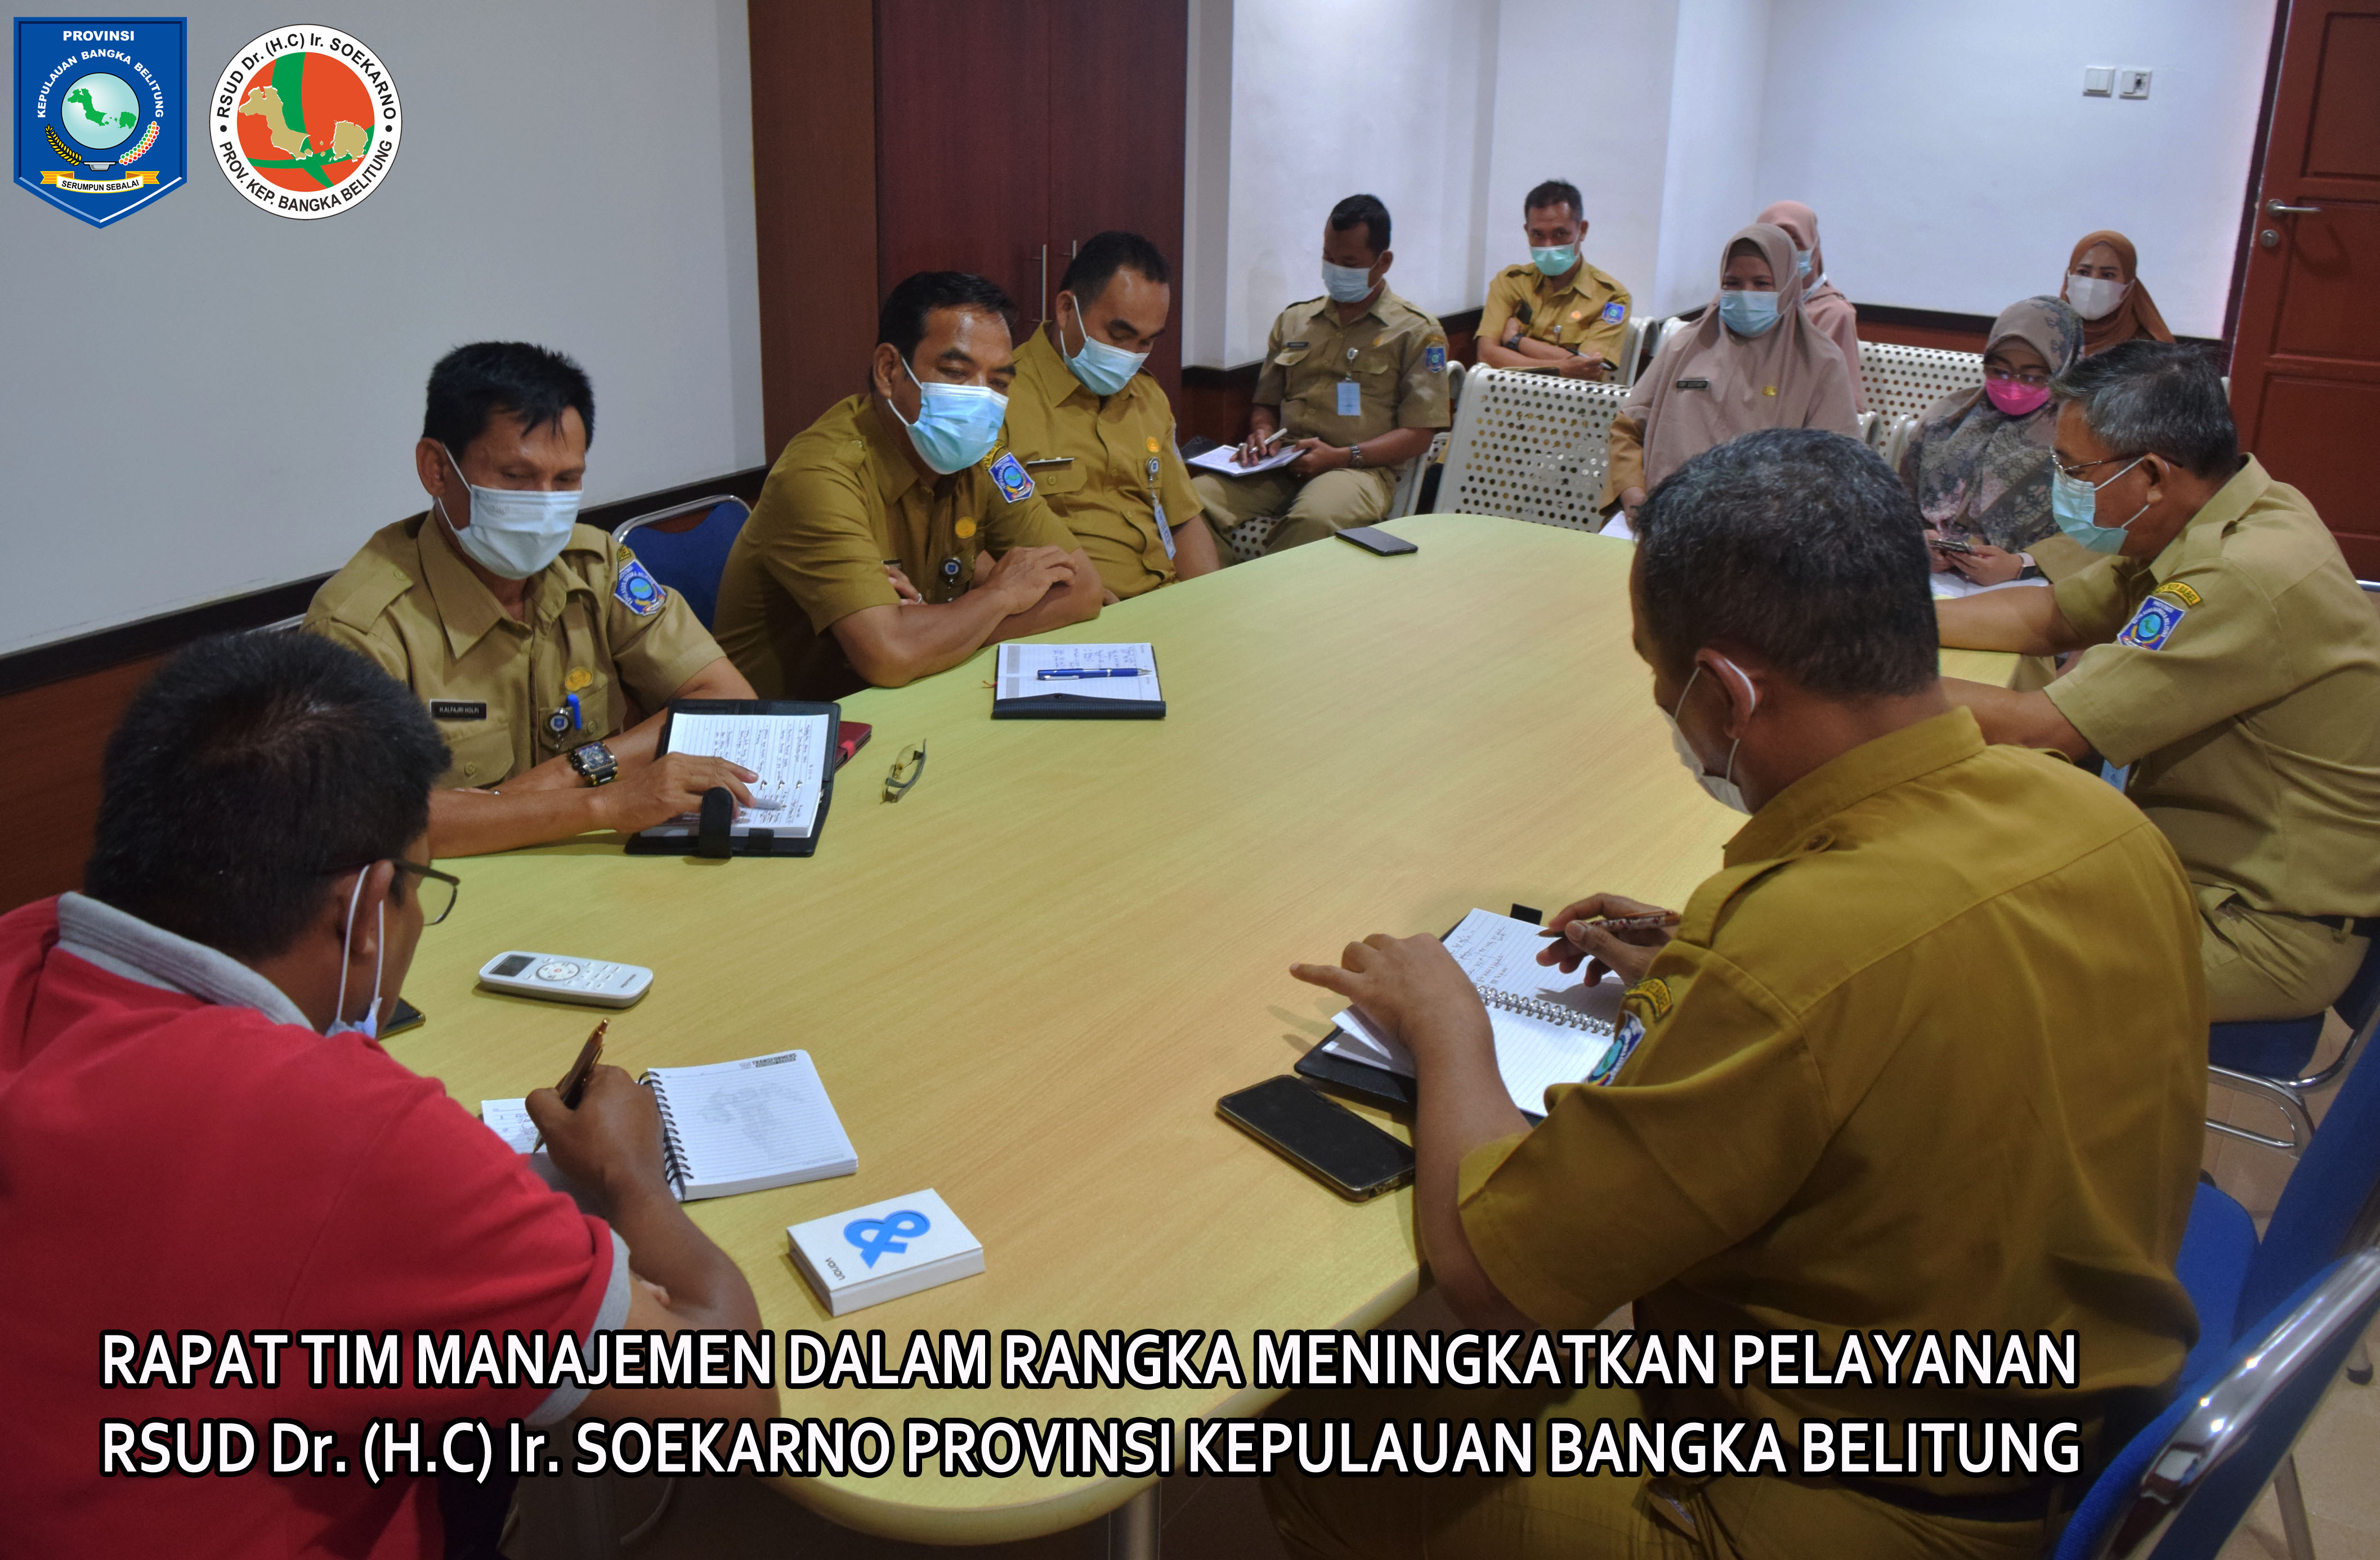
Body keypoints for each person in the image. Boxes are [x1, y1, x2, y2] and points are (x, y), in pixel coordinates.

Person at [1266, 428, 2204, 1560]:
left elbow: (1490, 1281)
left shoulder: (1795, 949)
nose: (1664, 703)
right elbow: (1931, 1018)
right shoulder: (2096, 822)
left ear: (1721, 693)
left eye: (1660, 678)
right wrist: (1697, 976)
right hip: (2062, 1434)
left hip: (1834, 1509)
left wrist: (1448, 1022)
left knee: (1324, 1444)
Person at [0, 631, 773, 1559]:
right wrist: (631, 1171)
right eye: (418, 889)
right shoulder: (346, 1131)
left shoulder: (23, 945)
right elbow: (728, 1412)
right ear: (368, 911)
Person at [1938, 340, 2380, 1023]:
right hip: (2190, 870)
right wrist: (1890, 622)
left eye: (2071, 468)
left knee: (1948, 960)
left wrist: (1841, 677)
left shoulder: (2237, 572)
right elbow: (2057, 614)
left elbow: (2044, 729)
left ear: (2149, 475)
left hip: (2253, 926)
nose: (2062, 484)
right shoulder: (2218, 514)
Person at [305, 342, 762, 859]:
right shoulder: (360, 626)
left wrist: (574, 771)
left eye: (566, 480)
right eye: (516, 478)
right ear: (437, 469)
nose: (546, 506)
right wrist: (605, 803)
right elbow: (373, 825)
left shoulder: (596, 564)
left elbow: (728, 702)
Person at [712, 271, 1103, 698]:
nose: (980, 399)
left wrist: (936, 632)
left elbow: (1082, 589)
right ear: (888, 370)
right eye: (956, 372)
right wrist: (999, 596)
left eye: (998, 382)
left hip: (912, 697)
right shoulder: (818, 476)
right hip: (788, 732)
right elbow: (889, 653)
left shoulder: (984, 457)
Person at [1190, 194, 1452, 556]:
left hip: (1359, 470)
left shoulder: (1416, 332)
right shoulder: (1296, 320)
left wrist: (1344, 456)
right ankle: (1212, 600)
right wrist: (1263, 434)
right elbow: (1266, 402)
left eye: (1349, 262)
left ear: (1383, 262)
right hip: (1282, 460)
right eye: (1328, 258)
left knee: (1314, 520)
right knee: (1192, 503)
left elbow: (1420, 434)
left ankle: (1271, 610)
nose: (1335, 270)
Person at [998, 230, 1220, 598]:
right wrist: (1077, 603)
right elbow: (981, 544)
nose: (1130, 356)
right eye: (1119, 336)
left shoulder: (1148, 396)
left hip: (1167, 600)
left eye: (1146, 342)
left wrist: (1210, 602)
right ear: (1067, 310)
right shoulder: (1000, 398)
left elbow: (1181, 520)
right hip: (1075, 616)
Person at [1600, 223, 1858, 527]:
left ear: (1788, 286)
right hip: (1668, 521)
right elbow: (1628, 431)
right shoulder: (1684, 346)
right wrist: (1634, 497)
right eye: (1732, 283)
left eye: (1762, 284)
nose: (1745, 294)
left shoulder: (1820, 361)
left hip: (1770, 533)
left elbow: (1836, 466)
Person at [1902, 296, 2090, 585]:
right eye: (1999, 372)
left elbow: (2098, 532)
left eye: (2032, 376)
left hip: (2031, 588)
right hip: (1929, 578)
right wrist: (1919, 539)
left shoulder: (2083, 437)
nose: (2013, 385)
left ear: (2063, 371)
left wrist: (2022, 564)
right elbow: (1897, 502)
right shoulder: (1947, 420)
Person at [1476, 178, 1632, 382]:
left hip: (1572, 407)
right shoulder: (1510, 282)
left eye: (1560, 233)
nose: (1548, 245)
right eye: (1538, 235)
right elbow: (1487, 355)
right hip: (1506, 402)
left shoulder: (1612, 297)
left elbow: (1590, 370)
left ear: (1582, 230)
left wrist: (1516, 341)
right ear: (1527, 232)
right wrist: (1562, 367)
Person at [1755, 198, 1868, 411]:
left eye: (1795, 241)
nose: (1785, 250)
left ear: (1813, 247)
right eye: (1775, 240)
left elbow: (1839, 400)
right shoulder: (1741, 304)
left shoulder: (1831, 313)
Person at [2062, 231, 2173, 356]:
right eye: (2083, 272)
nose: (2093, 283)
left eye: (2108, 275)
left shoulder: (2150, 350)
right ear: (2068, 276)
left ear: (2128, 285)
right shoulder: (2046, 336)